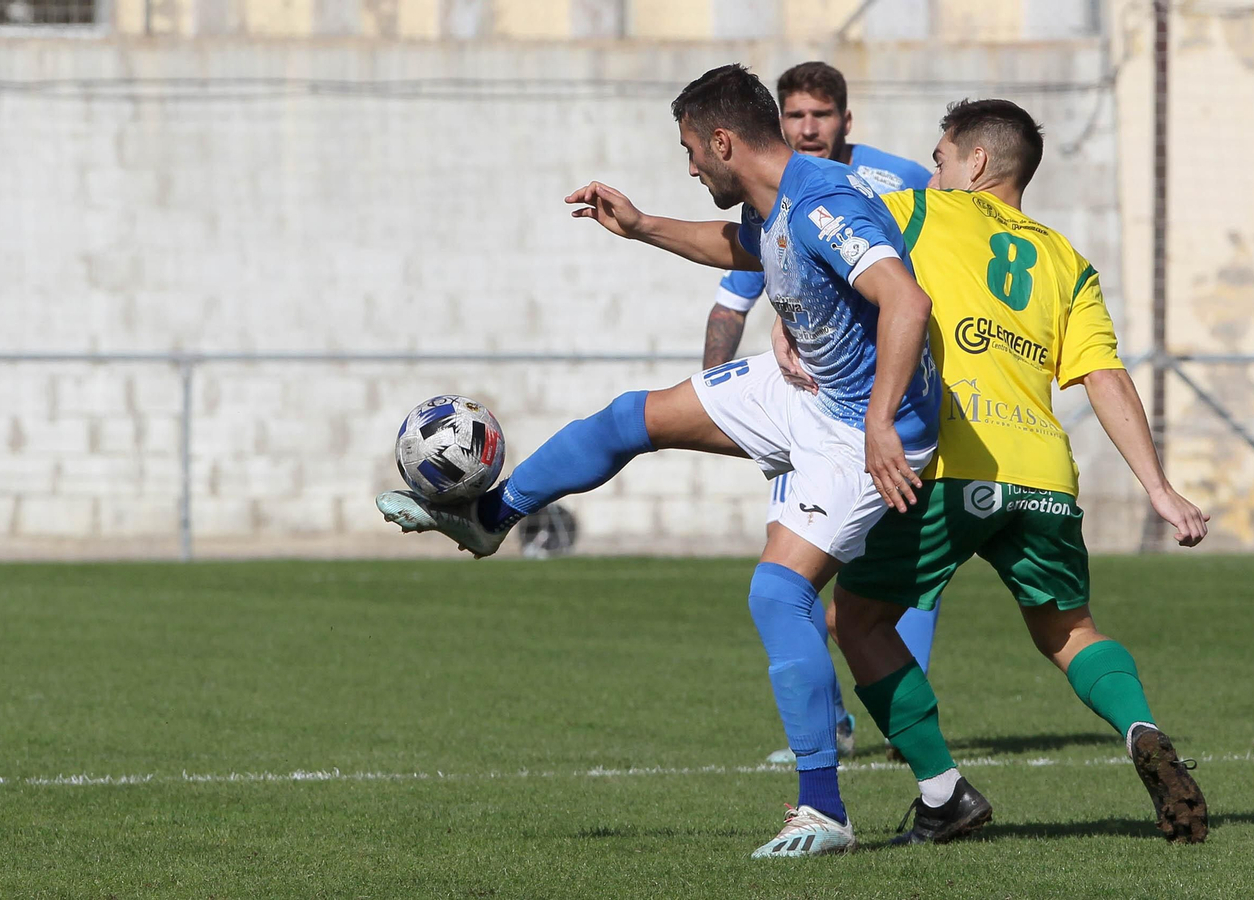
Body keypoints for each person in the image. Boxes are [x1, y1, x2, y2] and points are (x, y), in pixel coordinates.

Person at [375, 64, 941, 858]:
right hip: (812, 396)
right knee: (630, 417)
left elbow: (907, 300)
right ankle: (491, 515)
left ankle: (825, 813)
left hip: (862, 429)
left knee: (779, 594)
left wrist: (881, 421)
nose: (688, 167)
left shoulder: (826, 202)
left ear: (722, 140)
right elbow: (734, 244)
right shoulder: (776, 200)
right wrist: (642, 227)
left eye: (689, 150)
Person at [778, 99, 1211, 846]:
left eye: (942, 157)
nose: (934, 169)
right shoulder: (1067, 259)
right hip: (1041, 474)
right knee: (1069, 629)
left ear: (975, 163)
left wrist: (783, 314)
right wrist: (1159, 489)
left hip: (944, 464)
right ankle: (1139, 725)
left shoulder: (912, 212)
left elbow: (815, 247)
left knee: (856, 619)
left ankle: (945, 793)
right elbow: (1103, 376)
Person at [697, 60, 940, 767]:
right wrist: (726, 389)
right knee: (793, 580)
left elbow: (923, 271)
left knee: (891, 578)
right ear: (778, 122)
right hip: (808, 406)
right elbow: (734, 294)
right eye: (795, 116)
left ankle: (905, 745)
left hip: (887, 408)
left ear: (845, 120)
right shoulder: (771, 193)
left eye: (821, 115)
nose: (808, 129)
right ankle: (832, 725)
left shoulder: (897, 180)